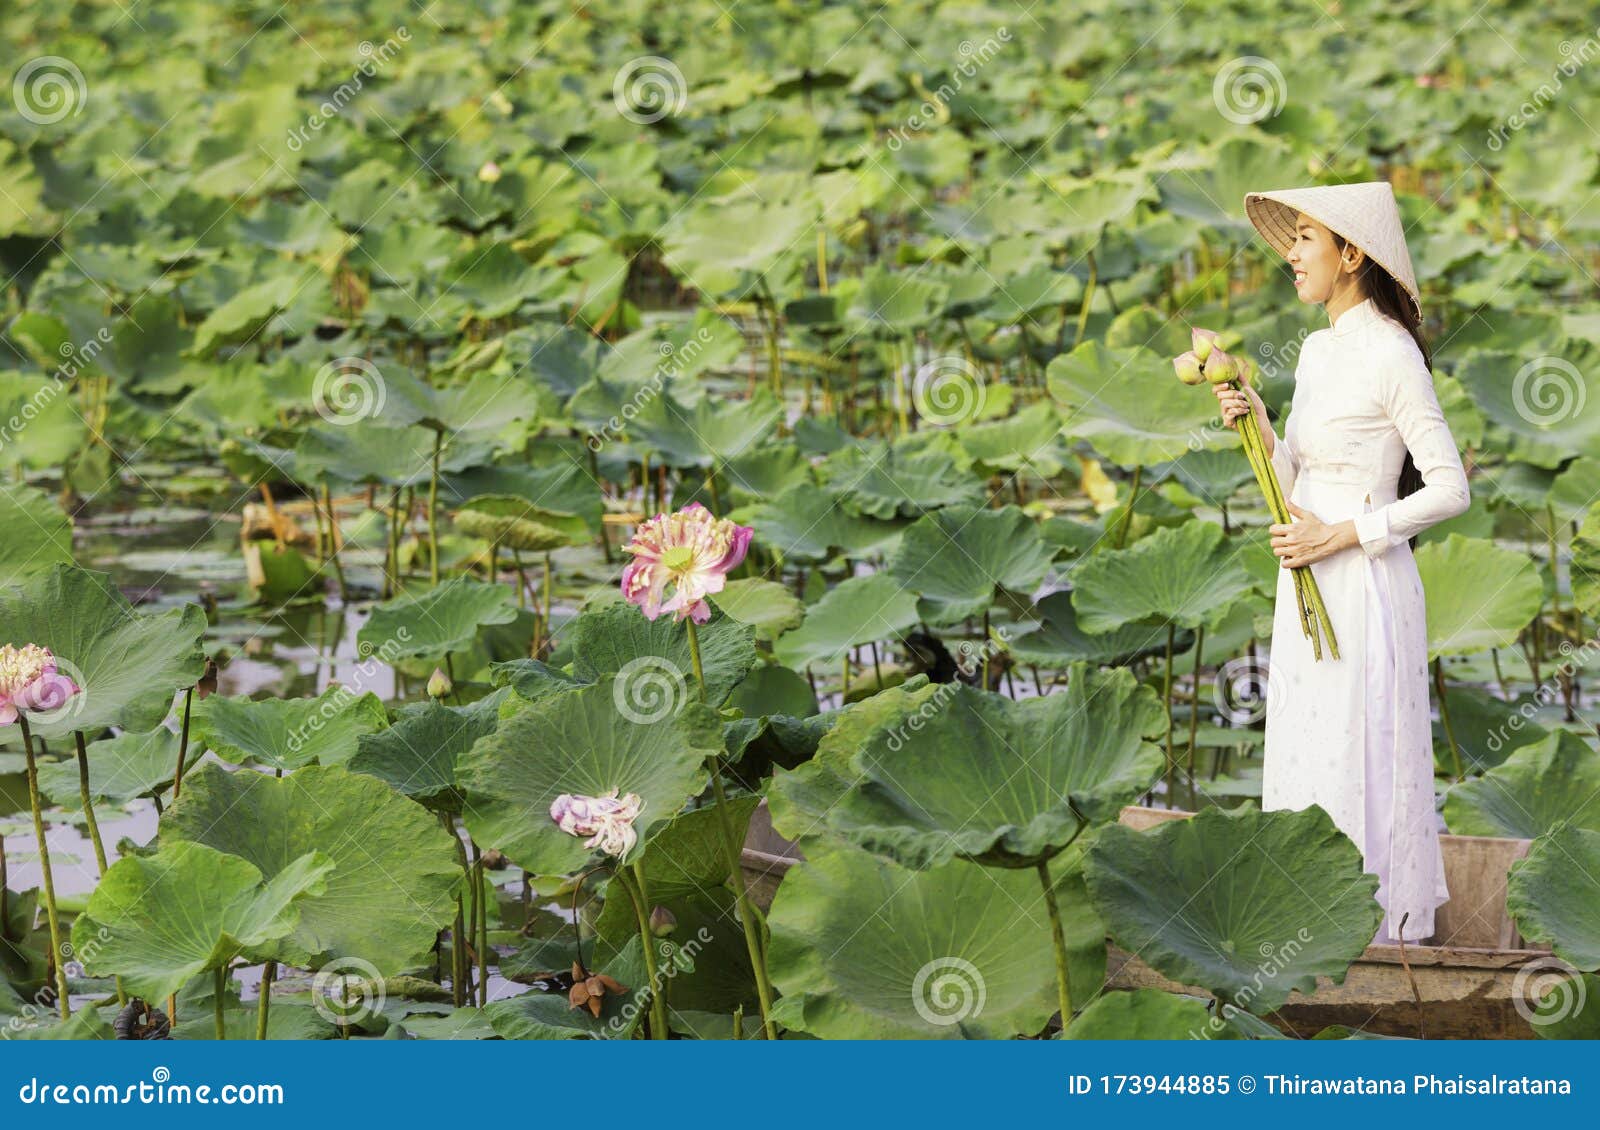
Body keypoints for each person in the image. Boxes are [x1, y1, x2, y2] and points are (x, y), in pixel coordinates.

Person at [1216, 181, 1471, 945]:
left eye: (1305, 240)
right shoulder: (1321, 351)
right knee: (1310, 744)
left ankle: (1378, 933)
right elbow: (1304, 480)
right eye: (1290, 239)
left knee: (1364, 749)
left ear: (1351, 254)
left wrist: (1346, 535)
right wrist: (1259, 424)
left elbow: (1451, 488)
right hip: (1306, 584)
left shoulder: (1392, 353)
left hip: (1363, 583)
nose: (1290, 255)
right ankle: (1308, 928)